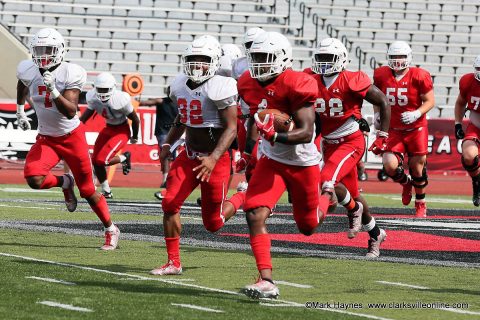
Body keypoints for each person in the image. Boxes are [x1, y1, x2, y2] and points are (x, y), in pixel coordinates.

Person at [238, 31, 330, 299]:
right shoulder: (247, 82)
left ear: (282, 58)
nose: (258, 64)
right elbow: (254, 119)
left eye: (264, 58)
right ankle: (266, 280)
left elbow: (306, 132)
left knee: (308, 226)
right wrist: (249, 152)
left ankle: (327, 196)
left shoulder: (298, 83)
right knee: (254, 212)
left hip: (302, 161)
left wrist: (275, 134)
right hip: (272, 159)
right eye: (254, 57)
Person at [150, 35, 246, 276]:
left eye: (202, 60)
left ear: (213, 61)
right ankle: (173, 262)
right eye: (192, 59)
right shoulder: (179, 84)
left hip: (216, 160)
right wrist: (168, 143)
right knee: (169, 203)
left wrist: (213, 158)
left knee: (213, 224)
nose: (196, 65)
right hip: (189, 155)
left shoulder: (221, 86)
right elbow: (182, 117)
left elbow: (231, 127)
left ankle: (242, 198)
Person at [15, 28, 120, 250]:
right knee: (34, 178)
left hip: (72, 137)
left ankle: (110, 228)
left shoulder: (70, 72)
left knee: (88, 191)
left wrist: (53, 90)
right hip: (47, 138)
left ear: (60, 51)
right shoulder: (28, 69)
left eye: (48, 50)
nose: (43, 55)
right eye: (39, 50)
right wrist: (19, 109)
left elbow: (71, 111)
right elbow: (22, 83)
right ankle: (65, 182)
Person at [305, 38, 390, 257]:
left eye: (328, 58)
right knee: (352, 195)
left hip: (351, 141)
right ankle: (376, 234)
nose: (324, 63)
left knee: (327, 179)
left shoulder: (352, 79)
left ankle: (353, 210)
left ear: (341, 59)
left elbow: (382, 101)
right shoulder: (310, 79)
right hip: (329, 143)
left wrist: (382, 135)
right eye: (321, 58)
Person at [373, 41, 435, 218]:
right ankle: (406, 183)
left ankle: (420, 202)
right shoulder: (381, 74)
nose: (397, 60)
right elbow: (377, 99)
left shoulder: (419, 75)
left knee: (417, 168)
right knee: (389, 165)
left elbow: (430, 101)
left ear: (408, 57)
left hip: (416, 128)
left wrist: (417, 112)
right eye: (394, 57)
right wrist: (377, 114)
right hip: (393, 128)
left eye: (401, 57)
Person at [80, 72, 140, 199]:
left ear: (113, 88)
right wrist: (75, 126)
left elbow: (135, 119)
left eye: (105, 89)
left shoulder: (121, 98)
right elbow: (85, 117)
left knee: (103, 160)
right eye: (100, 89)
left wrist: (134, 136)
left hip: (121, 130)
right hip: (108, 128)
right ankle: (106, 191)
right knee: (95, 160)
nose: (102, 92)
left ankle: (124, 158)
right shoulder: (92, 97)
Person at [139, 95, 179, 199]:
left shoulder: (176, 103)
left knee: (168, 156)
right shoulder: (165, 101)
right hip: (166, 133)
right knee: (167, 156)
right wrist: (138, 102)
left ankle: (168, 179)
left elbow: (149, 102)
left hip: (171, 132)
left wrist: (139, 102)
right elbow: (148, 102)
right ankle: (166, 179)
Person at [453, 55, 480, 206]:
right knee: (469, 156)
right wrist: (458, 124)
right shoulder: (468, 81)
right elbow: (460, 103)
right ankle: (477, 181)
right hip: (476, 125)